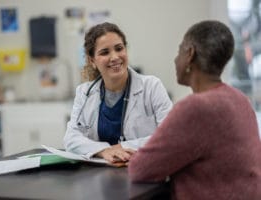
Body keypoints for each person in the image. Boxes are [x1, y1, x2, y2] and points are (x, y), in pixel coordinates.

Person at [128, 20, 261, 200]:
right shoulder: (240, 100)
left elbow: (140, 169)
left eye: (179, 50)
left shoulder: (196, 107)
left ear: (190, 53)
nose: (176, 59)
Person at [63, 22, 172, 164]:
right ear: (92, 61)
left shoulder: (152, 87)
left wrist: (122, 147)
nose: (114, 57)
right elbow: (71, 139)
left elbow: (170, 135)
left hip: (145, 170)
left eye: (119, 48)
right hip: (100, 176)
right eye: (105, 52)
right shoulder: (84, 93)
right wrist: (103, 150)